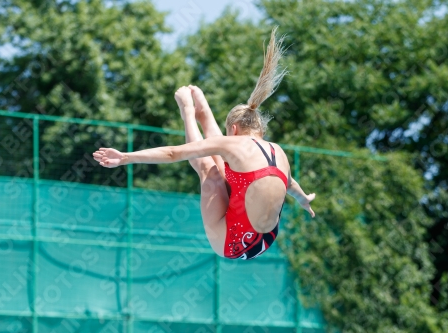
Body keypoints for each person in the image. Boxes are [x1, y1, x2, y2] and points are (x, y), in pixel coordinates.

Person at [93, 28, 315, 260]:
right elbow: (291, 185)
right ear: (261, 130)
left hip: (235, 243)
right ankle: (204, 111)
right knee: (224, 166)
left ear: (234, 130)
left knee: (210, 170)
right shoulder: (278, 151)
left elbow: (172, 153)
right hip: (265, 239)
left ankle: (190, 113)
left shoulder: (234, 145)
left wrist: (126, 157)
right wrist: (304, 200)